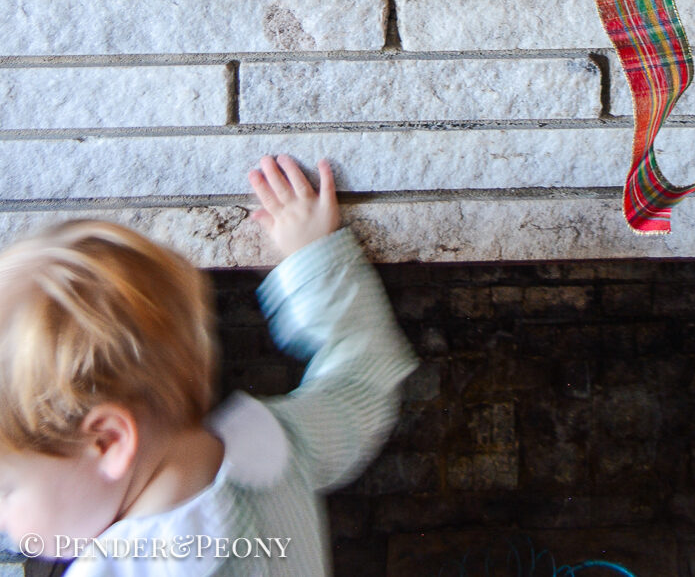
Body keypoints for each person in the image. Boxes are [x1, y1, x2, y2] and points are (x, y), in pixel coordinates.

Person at [0, 155, 417, 574]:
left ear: (109, 441)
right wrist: (312, 255)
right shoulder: (281, 446)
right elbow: (362, 379)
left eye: (6, 490)